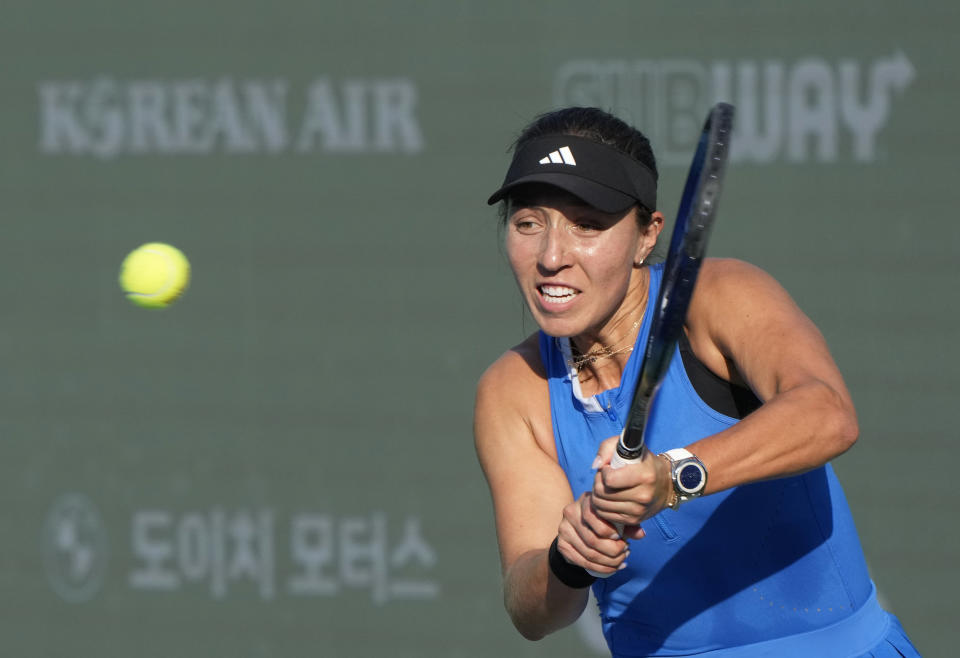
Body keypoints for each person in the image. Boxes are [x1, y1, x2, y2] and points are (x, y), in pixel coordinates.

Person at [474, 106, 920, 657]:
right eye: (528, 224)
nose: (551, 256)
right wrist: (570, 556)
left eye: (587, 224)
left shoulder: (720, 296)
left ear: (646, 236)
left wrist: (673, 476)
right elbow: (531, 609)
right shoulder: (511, 389)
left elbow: (827, 413)